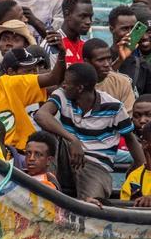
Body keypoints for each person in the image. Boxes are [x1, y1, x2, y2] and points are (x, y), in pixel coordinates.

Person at [35, 63, 144, 205]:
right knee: (49, 134)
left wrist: (140, 169)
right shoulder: (62, 94)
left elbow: (130, 139)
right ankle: (46, 187)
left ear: (79, 88)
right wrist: (72, 139)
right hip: (67, 156)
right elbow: (41, 116)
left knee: (92, 204)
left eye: (67, 83)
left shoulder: (114, 107)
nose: (63, 85)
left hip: (95, 165)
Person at [108, 5, 151, 98]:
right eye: (125, 29)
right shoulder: (99, 60)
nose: (130, 33)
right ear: (111, 29)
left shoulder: (145, 68)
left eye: (133, 28)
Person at [83, 38, 136, 112]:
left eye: (109, 59)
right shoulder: (77, 85)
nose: (107, 64)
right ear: (87, 62)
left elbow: (129, 114)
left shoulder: (122, 82)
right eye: (100, 60)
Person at [59, 0, 93, 65]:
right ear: (67, 14)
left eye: (90, 17)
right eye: (83, 16)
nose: (88, 22)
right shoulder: (53, 45)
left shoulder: (85, 47)